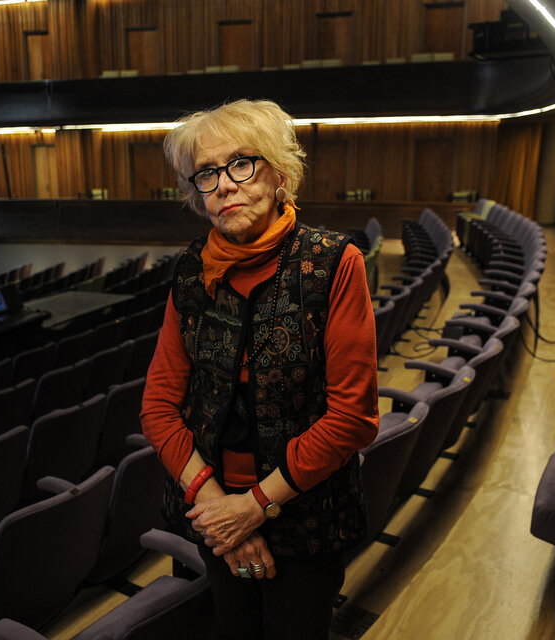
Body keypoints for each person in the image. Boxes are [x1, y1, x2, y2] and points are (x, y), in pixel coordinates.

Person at [140, 98, 379, 640]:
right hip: (215, 516)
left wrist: (255, 506)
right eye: (206, 173)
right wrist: (220, 510)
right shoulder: (189, 273)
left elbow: (353, 419)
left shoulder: (334, 264)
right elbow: (157, 407)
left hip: (305, 520)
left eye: (241, 163)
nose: (224, 184)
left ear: (279, 174)